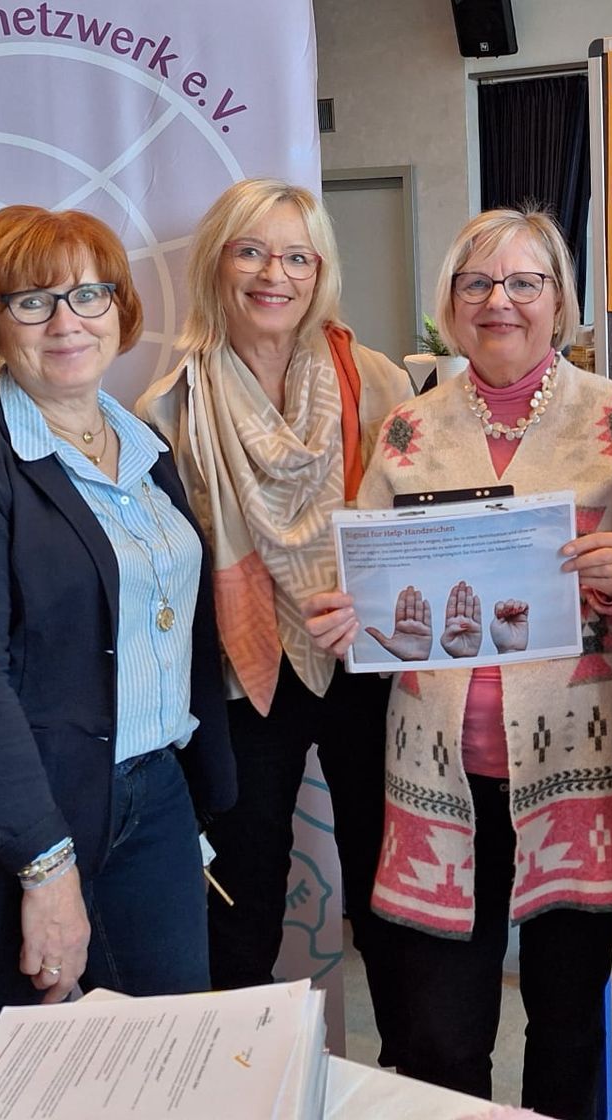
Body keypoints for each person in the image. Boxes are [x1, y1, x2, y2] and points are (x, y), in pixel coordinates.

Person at [304, 208, 612, 1120]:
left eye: (523, 282)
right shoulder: (407, 430)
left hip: (578, 765)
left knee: (568, 1023)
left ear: (560, 302)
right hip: (440, 773)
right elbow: (374, 576)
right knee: (440, 1035)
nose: (498, 301)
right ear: (451, 305)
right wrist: (353, 618)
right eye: (476, 283)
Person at [0, 206, 236, 1076]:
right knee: (34, 1087)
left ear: (121, 307)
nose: (67, 322)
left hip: (146, 800)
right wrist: (45, 868)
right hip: (0, 837)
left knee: (168, 1072)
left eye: (88, 294)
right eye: (32, 301)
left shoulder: (144, 448)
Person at [138, 179, 412, 998]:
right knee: (242, 894)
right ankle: (244, 1059)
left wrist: (377, 599)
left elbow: (416, 527)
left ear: (321, 271)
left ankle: (411, 1054)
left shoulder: (377, 382)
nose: (274, 275)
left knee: (392, 883)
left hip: (369, 656)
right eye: (251, 252)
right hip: (243, 666)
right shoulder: (173, 406)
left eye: (298, 257)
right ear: (216, 264)